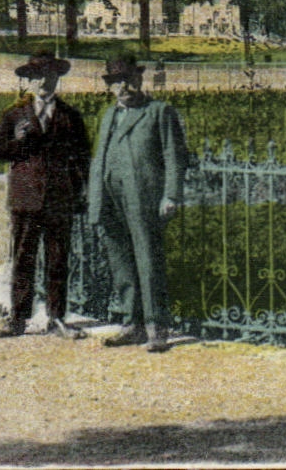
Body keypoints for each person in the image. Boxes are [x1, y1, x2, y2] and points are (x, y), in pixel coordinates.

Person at [86, 55, 188, 353]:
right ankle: (132, 324)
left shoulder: (158, 112)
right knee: (121, 262)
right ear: (110, 86)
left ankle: (157, 327)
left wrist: (171, 194)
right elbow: (99, 157)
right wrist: (95, 196)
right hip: (110, 199)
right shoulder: (109, 115)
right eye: (118, 81)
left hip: (143, 198)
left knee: (148, 260)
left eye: (130, 79)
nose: (125, 87)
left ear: (140, 80)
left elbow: (174, 157)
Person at [0, 52, 92, 339]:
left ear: (57, 79)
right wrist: (17, 141)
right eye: (37, 77)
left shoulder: (70, 117)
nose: (43, 82)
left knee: (58, 259)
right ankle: (19, 318)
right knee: (23, 259)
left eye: (49, 76)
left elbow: (83, 157)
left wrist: (81, 191)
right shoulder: (15, 114)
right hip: (26, 199)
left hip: (59, 199)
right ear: (30, 81)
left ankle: (57, 317)